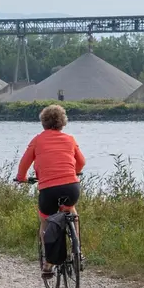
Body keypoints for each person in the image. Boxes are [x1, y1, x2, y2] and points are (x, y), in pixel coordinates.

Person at [15, 104, 86, 278]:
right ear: (63, 123)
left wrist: (22, 178)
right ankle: (78, 251)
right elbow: (82, 162)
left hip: (48, 189)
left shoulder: (37, 140)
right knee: (71, 211)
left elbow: (24, 165)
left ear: (43, 123)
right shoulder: (70, 139)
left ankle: (48, 264)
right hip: (71, 186)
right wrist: (73, 171)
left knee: (46, 220)